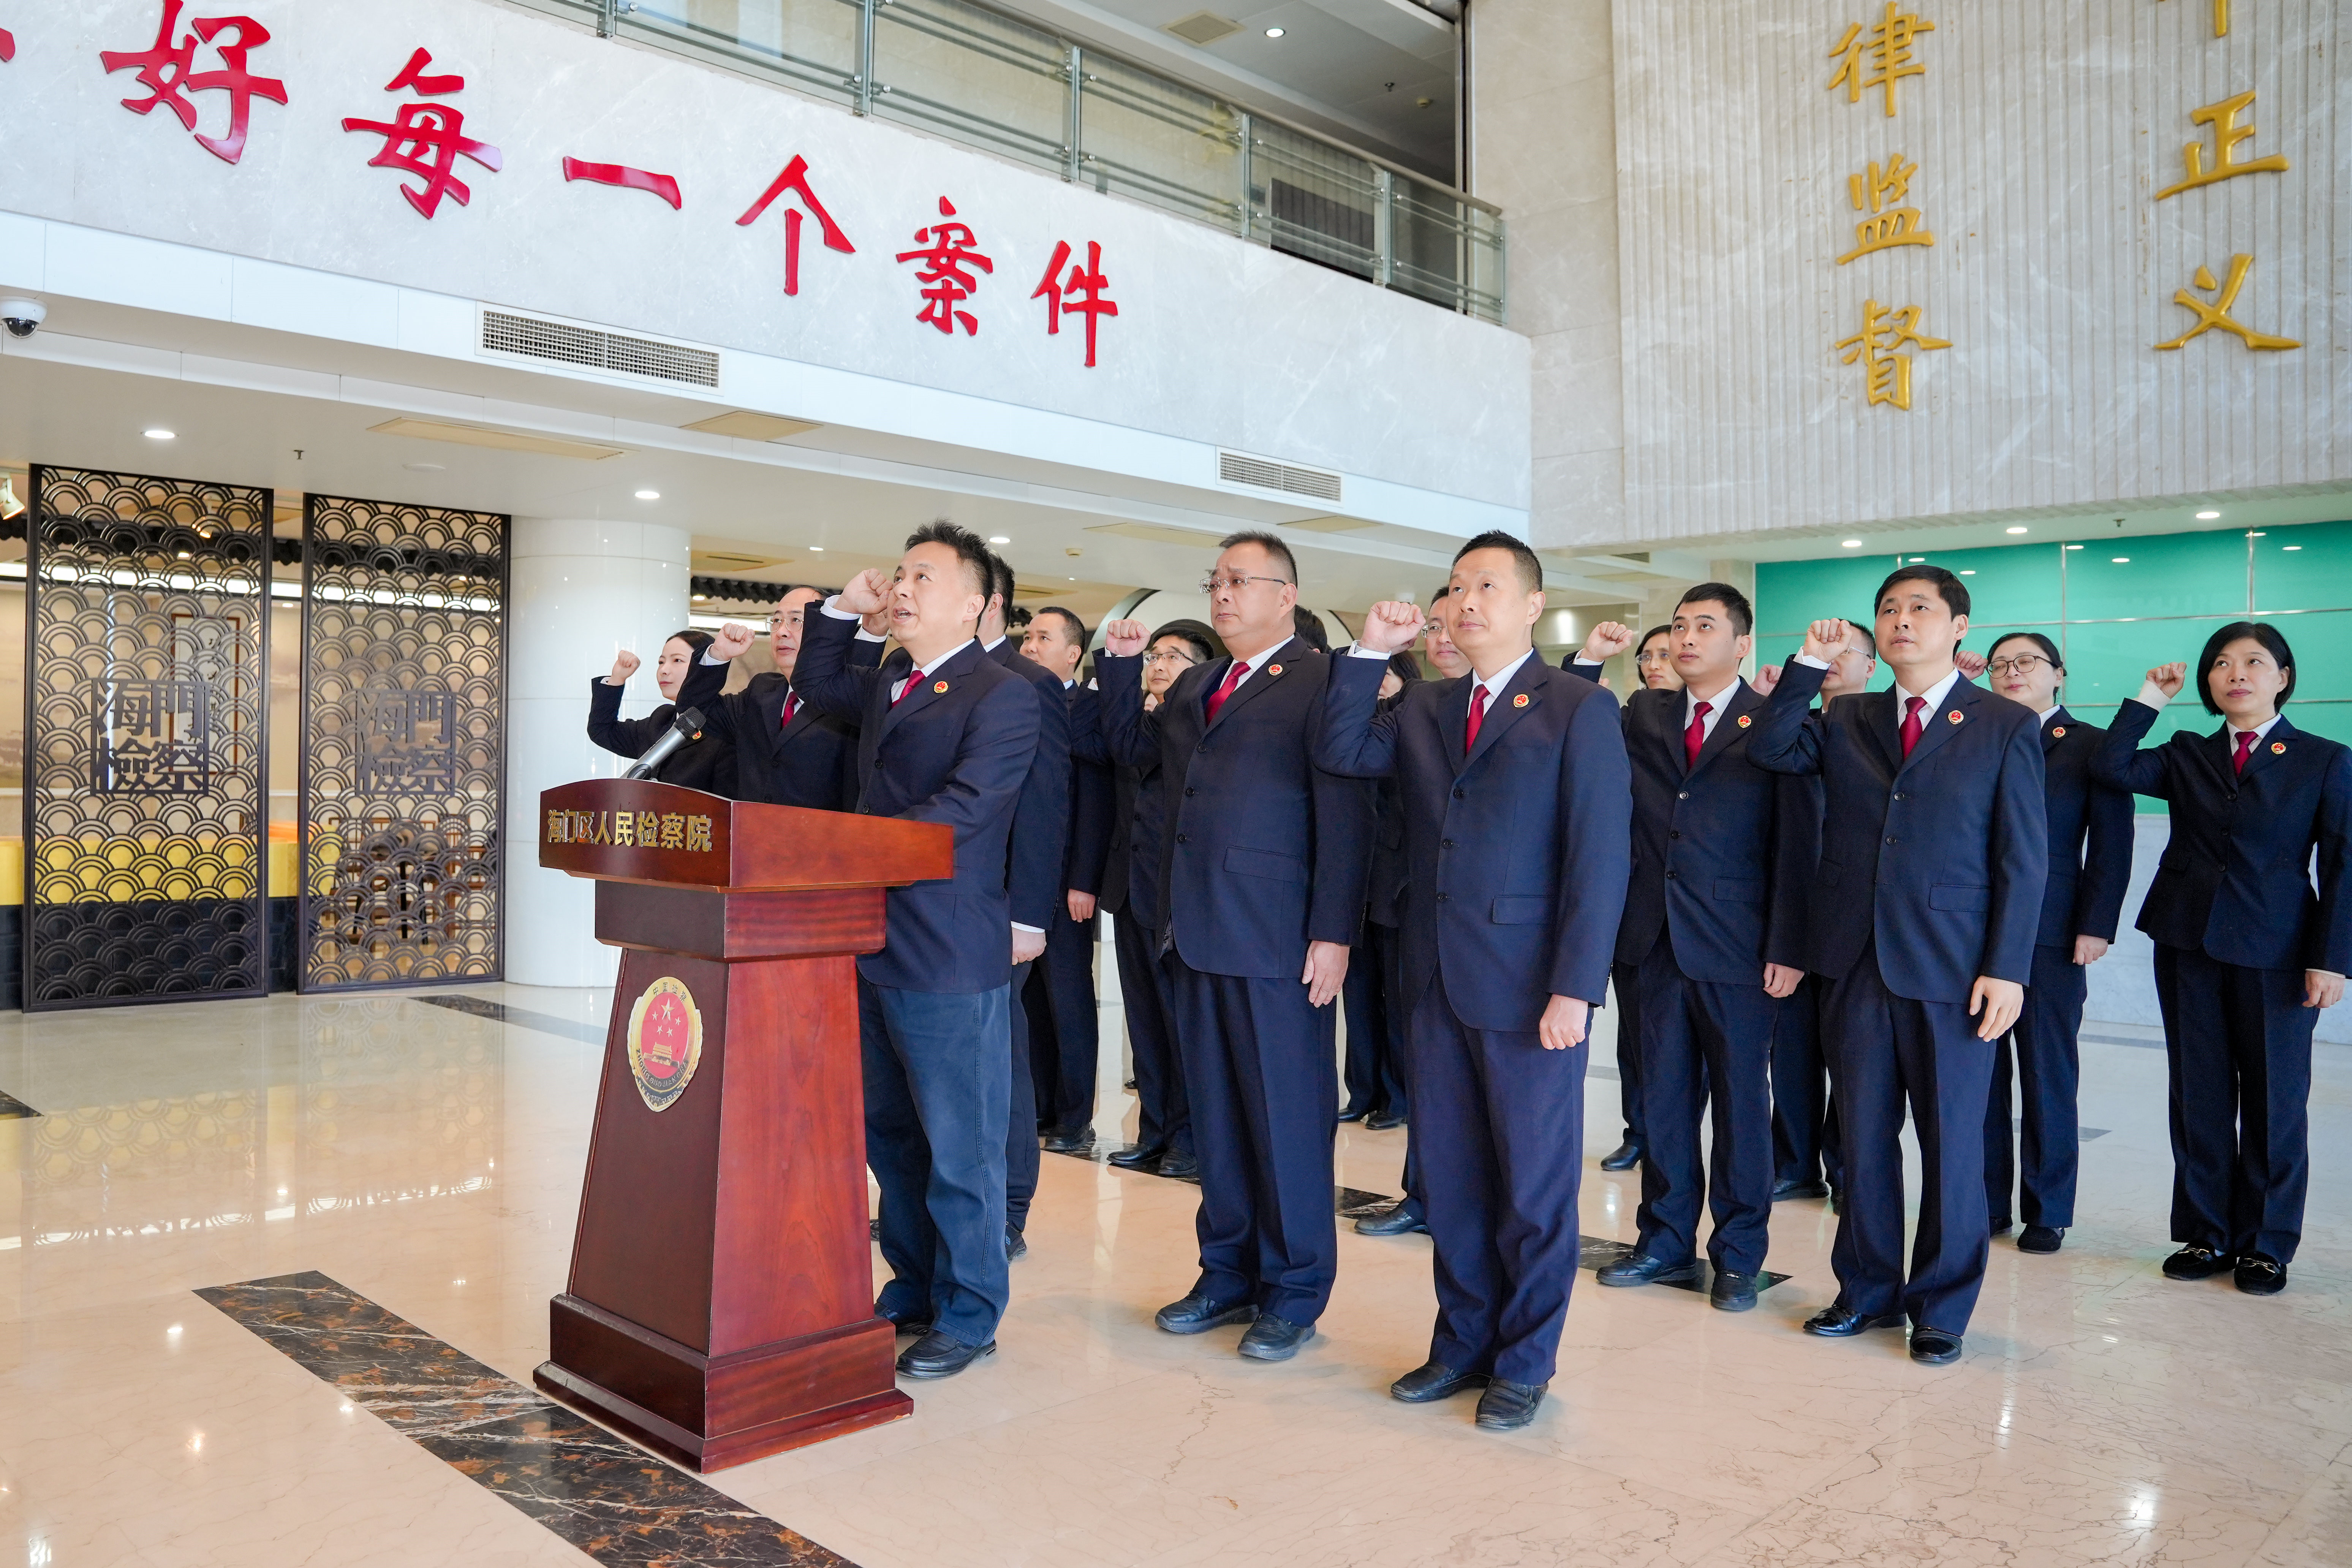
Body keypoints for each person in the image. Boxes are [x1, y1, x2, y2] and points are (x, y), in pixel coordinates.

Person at [688, 522, 1038, 1381]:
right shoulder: (890, 680)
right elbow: (814, 678)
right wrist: (843, 609)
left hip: (946, 950)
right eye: (902, 574)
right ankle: (914, 1286)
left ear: (974, 603)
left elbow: (966, 808)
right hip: (871, 941)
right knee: (892, 1137)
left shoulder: (1003, 694)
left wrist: (847, 849)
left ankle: (971, 1312)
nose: (905, 588)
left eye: (925, 577)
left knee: (961, 1146)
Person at [1318, 530, 1630, 1431]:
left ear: (1532, 604)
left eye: (1486, 585)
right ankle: (1459, 1343)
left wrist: (1575, 985)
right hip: (1433, 979)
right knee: (1451, 1182)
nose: (1465, 602)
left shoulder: (1576, 706)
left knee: (1530, 1188)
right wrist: (1368, 650)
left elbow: (1598, 855)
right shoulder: (1424, 704)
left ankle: (1523, 1361)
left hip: (1531, 986)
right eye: (1455, 587)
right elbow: (1341, 749)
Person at [1747, 565, 2046, 1366]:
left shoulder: (2002, 723)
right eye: (1887, 609)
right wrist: (1807, 666)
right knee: (1862, 1140)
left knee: (1951, 1145)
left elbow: (2022, 857)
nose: (1901, 620)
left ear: (1958, 626)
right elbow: (1769, 747)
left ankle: (1942, 1307)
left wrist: (2007, 966)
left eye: (1919, 607)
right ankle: (1866, 1290)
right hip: (1854, 960)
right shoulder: (1847, 715)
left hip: (1954, 968)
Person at [1096, 531, 1374, 1364]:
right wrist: (1120, 671)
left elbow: (1345, 813)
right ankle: (1226, 1272)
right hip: (1194, 929)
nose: (1221, 594)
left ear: (1286, 595)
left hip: (1277, 936)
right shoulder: (1198, 684)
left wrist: (1333, 931)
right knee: (1216, 1119)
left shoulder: (1322, 679)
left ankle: (1293, 1289)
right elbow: (1132, 758)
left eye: (1239, 581)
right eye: (1215, 581)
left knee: (1285, 1122)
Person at [1569, 585, 1816, 1312]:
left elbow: (1797, 840)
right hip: (1651, 941)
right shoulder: (1644, 713)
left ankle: (1738, 1255)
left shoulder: (1774, 720)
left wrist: (1789, 943)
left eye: (1705, 626)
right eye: (1679, 625)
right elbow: (1572, 722)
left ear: (1742, 644)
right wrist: (1587, 659)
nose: (1685, 638)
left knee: (1741, 1106)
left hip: (1740, 947)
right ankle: (1664, 1240)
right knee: (1664, 1102)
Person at [2094, 623, 2351, 1296]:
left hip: (2279, 950)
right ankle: (2206, 1231)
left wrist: (2331, 959)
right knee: (2199, 1094)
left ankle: (2266, 1244)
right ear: (2207, 681)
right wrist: (2149, 697)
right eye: (2221, 664)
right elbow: (2111, 768)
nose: (2235, 673)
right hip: (2187, 942)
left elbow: (2343, 864)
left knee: (2275, 1101)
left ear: (2282, 677)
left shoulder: (2324, 758)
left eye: (2253, 662)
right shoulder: (2186, 752)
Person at [1979, 632, 2132, 1254]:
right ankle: (1985, 1201)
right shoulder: (1976, 733)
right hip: (1974, 930)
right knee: (1979, 1076)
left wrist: (2095, 923)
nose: (2011, 672)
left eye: (2026, 662)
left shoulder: (2091, 745)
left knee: (2046, 1071)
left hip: (2053, 930)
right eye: (1999, 664)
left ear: (2058, 673)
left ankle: (2047, 1209)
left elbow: (2112, 843)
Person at [978, 555, 1072, 1257]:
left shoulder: (1030, 683)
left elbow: (1044, 805)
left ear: (985, 601)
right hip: (929, 908)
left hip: (1000, 907)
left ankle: (1009, 1208)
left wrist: (1028, 917)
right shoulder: (908, 674)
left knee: (999, 1059)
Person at [1101, 620, 1218, 1179]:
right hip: (1133, 889)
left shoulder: (1204, 723)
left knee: (1180, 1024)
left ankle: (1190, 1141)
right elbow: (1118, 741)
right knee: (1144, 1022)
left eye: (1173, 656)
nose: (1159, 664)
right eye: (1153, 655)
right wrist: (1122, 661)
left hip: (1180, 897)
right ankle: (1154, 1131)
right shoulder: (1148, 722)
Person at [1768, 616, 1877, 1204]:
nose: (1834, 658)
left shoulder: (1884, 732)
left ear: (1871, 666)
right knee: (1791, 1050)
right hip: (1794, 906)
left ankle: (1845, 1168)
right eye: (1824, 651)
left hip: (1857, 919)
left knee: (1854, 1057)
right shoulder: (1797, 729)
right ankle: (1793, 1162)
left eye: (1846, 650)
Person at [1589, 623, 1685, 1174]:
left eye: (1664, 655)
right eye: (1646, 656)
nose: (1653, 664)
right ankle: (1639, 1131)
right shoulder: (1628, 720)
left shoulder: (1730, 723)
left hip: (1705, 918)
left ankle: (1679, 1138)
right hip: (1639, 909)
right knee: (1637, 1037)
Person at [1019, 605, 1112, 1152]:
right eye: (1027, 636)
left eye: (1043, 637)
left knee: (1068, 997)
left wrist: (1083, 879)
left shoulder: (1088, 708)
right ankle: (1040, 1105)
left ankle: (1075, 1118)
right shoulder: (1013, 697)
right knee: (1030, 1000)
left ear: (1073, 653)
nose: (1029, 645)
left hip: (1066, 881)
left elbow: (1093, 800)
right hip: (1021, 878)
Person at [669, 587, 864, 811]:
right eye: (777, 621)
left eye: (796, 620)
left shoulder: (847, 697)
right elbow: (694, 712)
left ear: (829, 630)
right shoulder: (761, 693)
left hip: (823, 832)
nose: (782, 632)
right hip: (751, 830)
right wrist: (718, 655)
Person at [1341, 650, 1421, 1131]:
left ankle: (1398, 1095)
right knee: (1358, 993)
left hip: (1396, 878)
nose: (1376, 683)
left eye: (1384, 674)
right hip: (1357, 877)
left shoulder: (1412, 723)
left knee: (1395, 996)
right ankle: (1362, 1090)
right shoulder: (1352, 727)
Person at [588, 628, 735, 794]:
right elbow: (602, 731)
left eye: (678, 660)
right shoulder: (662, 720)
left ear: (704, 667)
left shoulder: (727, 725)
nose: (664, 670)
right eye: (661, 662)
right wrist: (617, 678)